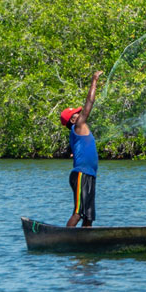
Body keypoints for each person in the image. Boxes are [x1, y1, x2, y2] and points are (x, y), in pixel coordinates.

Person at [59, 70, 103, 227]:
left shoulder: (77, 131)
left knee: (88, 215)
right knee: (78, 212)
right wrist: (94, 81)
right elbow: (89, 103)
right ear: (73, 119)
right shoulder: (78, 126)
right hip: (81, 175)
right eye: (77, 114)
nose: (80, 114)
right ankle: (65, 239)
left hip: (89, 175)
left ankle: (84, 245)